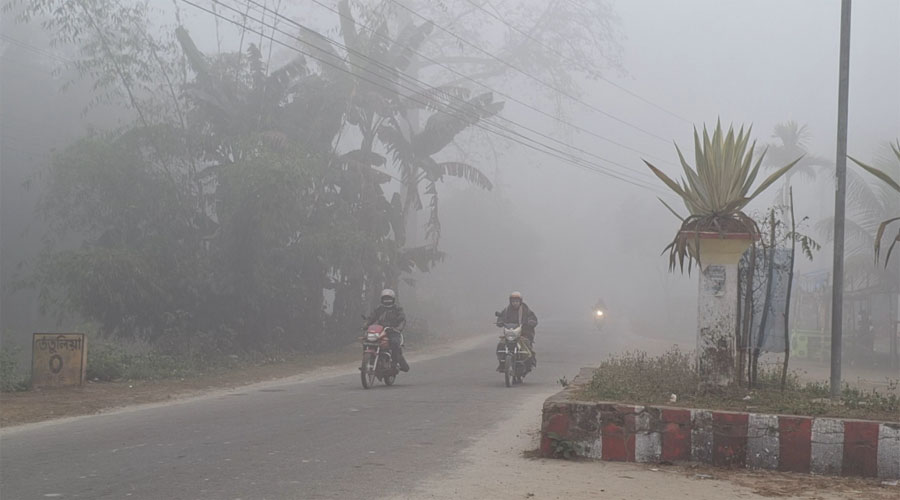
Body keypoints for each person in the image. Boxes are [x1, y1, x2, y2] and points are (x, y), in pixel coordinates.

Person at [365, 289, 410, 372]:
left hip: (393, 331)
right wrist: (366, 325)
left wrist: (398, 328)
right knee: (367, 340)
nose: (387, 301)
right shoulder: (379, 309)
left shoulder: (398, 309)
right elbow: (371, 317)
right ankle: (369, 360)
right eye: (385, 299)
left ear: (393, 299)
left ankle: (394, 363)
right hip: (380, 330)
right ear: (382, 300)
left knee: (394, 343)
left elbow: (402, 320)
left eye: (389, 299)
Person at [495, 291, 538, 371]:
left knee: (526, 346)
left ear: (520, 301)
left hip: (524, 333)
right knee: (501, 345)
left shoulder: (525, 309)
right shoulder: (507, 310)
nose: (515, 303)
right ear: (510, 301)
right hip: (510, 334)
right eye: (513, 301)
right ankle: (502, 362)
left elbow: (533, 318)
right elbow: (501, 317)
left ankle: (528, 363)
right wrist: (500, 321)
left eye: (517, 301)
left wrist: (530, 322)